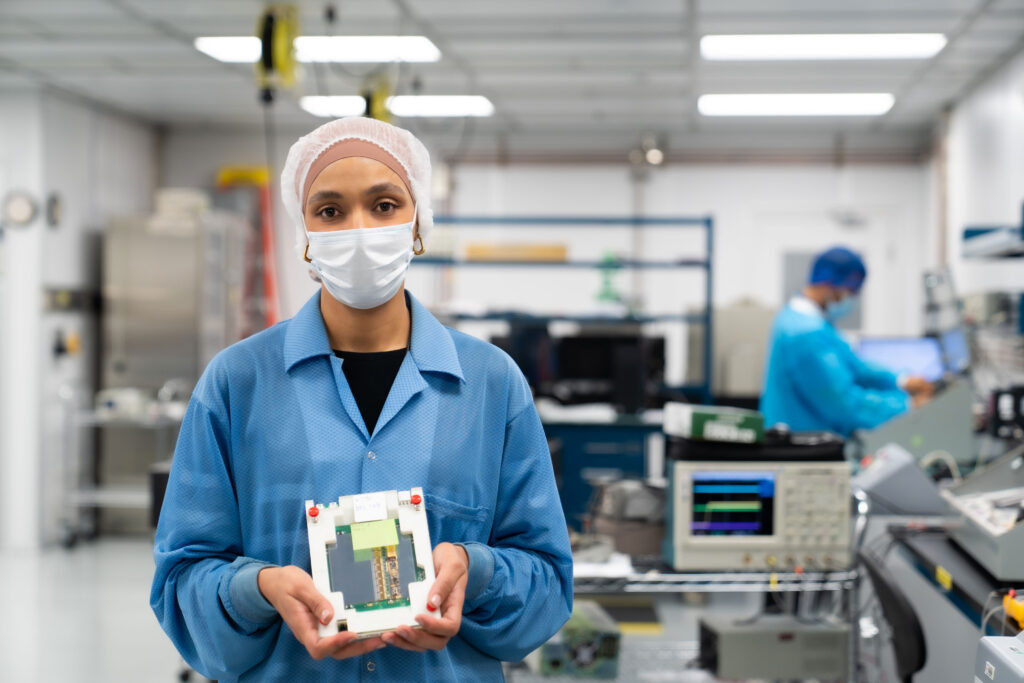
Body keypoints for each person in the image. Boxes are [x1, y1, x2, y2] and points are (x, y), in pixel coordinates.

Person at [150, 117, 573, 681]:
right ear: (304, 236)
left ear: (418, 223)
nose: (358, 229)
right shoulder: (235, 384)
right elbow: (181, 583)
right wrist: (259, 588)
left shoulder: (492, 386)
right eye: (330, 211)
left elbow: (547, 580)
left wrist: (478, 570)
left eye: (384, 205)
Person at [760, 246, 933, 437]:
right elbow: (843, 405)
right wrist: (907, 405)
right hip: (801, 445)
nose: (852, 299)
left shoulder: (808, 321)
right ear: (828, 285)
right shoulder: (804, 333)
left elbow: (855, 366)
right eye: (850, 292)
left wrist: (901, 381)